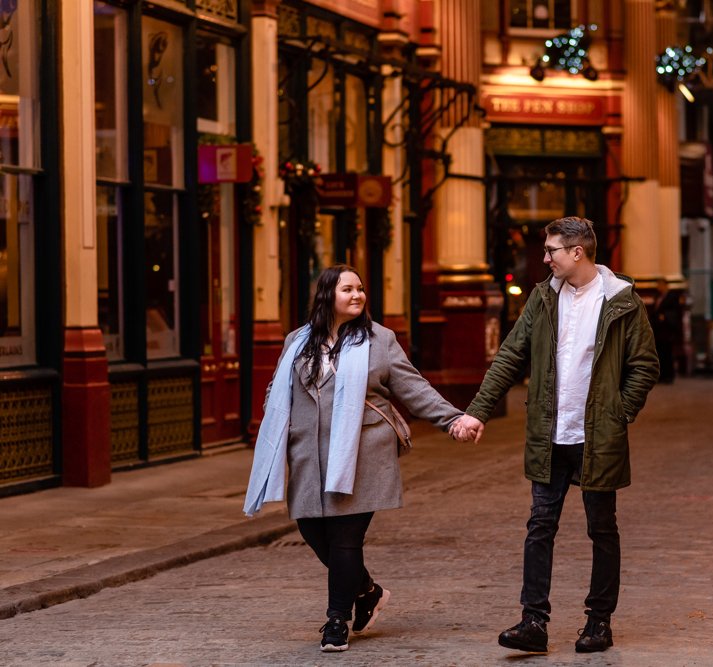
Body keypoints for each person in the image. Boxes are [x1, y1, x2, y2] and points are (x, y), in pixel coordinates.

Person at [452, 216, 659, 654]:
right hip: (550, 434)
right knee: (539, 526)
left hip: (596, 436)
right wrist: (477, 411)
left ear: (578, 252)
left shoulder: (621, 301)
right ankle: (533, 622)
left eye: (552, 251)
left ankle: (599, 622)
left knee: (601, 529)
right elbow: (510, 355)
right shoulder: (544, 298)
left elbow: (644, 365)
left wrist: (618, 413)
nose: (545, 258)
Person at [244, 265, 465, 653]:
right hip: (308, 454)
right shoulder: (297, 340)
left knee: (346, 539)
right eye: (348, 289)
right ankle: (368, 591)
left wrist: (453, 419)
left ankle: (336, 621)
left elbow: (412, 387)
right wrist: (277, 423)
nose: (357, 295)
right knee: (314, 534)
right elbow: (278, 388)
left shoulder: (380, 340)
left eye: (361, 289)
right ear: (327, 295)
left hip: (362, 452)